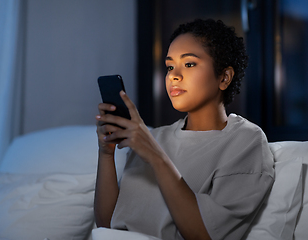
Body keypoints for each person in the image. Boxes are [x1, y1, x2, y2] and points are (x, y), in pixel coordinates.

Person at [94, 19, 274, 240]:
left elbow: (204, 235)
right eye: (170, 66)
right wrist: (106, 153)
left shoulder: (245, 141)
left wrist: (156, 157)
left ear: (224, 77)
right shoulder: (154, 137)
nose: (173, 76)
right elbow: (105, 225)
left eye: (189, 64)